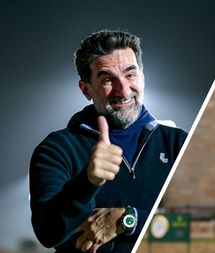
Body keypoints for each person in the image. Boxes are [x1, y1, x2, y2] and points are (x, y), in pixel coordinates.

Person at [29, 30, 187, 252]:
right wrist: (88, 181)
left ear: (142, 76)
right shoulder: (57, 149)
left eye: (130, 75)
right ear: (86, 89)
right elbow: (47, 232)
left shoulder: (178, 143)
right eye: (107, 79)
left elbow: (199, 225)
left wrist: (127, 220)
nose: (123, 90)